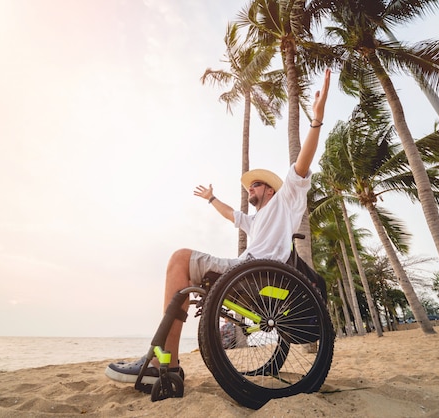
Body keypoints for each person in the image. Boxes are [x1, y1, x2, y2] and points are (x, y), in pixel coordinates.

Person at [105, 69, 331, 389]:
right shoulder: (256, 221)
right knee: (183, 265)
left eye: (254, 185)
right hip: (247, 271)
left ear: (268, 189)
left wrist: (316, 120)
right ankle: (166, 361)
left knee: (180, 259)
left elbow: (302, 164)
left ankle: (162, 362)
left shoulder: (285, 201)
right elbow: (232, 215)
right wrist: (212, 199)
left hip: (256, 274)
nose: (249, 189)